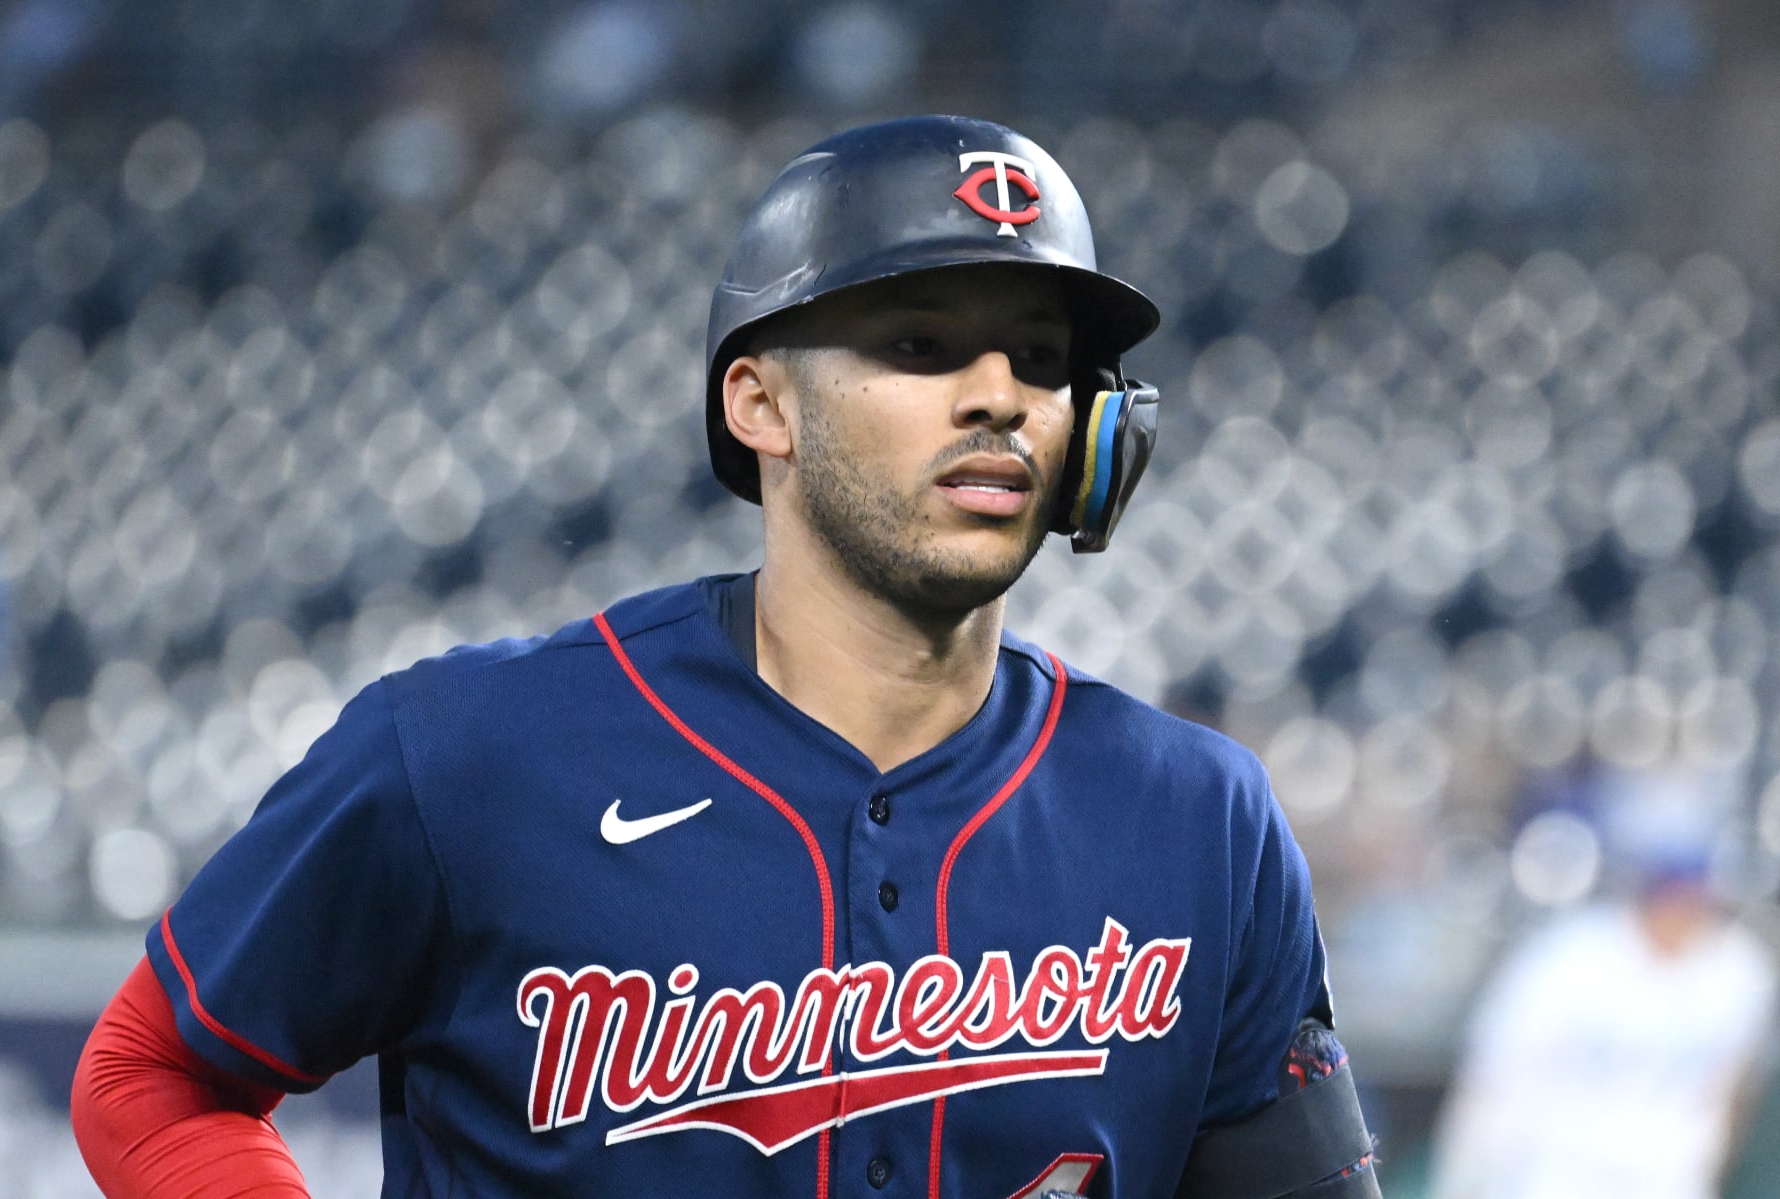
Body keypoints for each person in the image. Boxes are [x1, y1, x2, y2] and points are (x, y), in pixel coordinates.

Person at [70, 115, 1380, 1199]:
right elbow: (149, 1073)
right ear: (758, 401)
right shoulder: (470, 753)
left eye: (1041, 360)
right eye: (919, 343)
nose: (997, 393)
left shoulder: (1200, 819)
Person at [1431, 765, 1779, 1199]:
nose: (1680, 904)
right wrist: (1466, 1178)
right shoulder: (1569, 958)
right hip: (1557, 1178)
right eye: (1669, 886)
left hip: (1668, 1183)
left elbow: (1733, 1092)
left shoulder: (1738, 972)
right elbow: (1494, 1077)